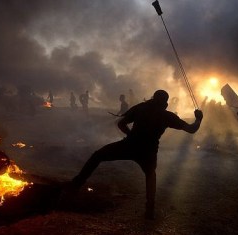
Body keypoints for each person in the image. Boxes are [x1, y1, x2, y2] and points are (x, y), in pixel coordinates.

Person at [67, 90, 203, 219]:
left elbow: (121, 123)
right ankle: (150, 210)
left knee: (97, 156)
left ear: (152, 98)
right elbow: (191, 129)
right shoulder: (166, 116)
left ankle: (76, 184)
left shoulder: (141, 108)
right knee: (150, 175)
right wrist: (198, 119)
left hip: (129, 145)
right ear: (165, 104)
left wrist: (130, 134)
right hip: (148, 151)